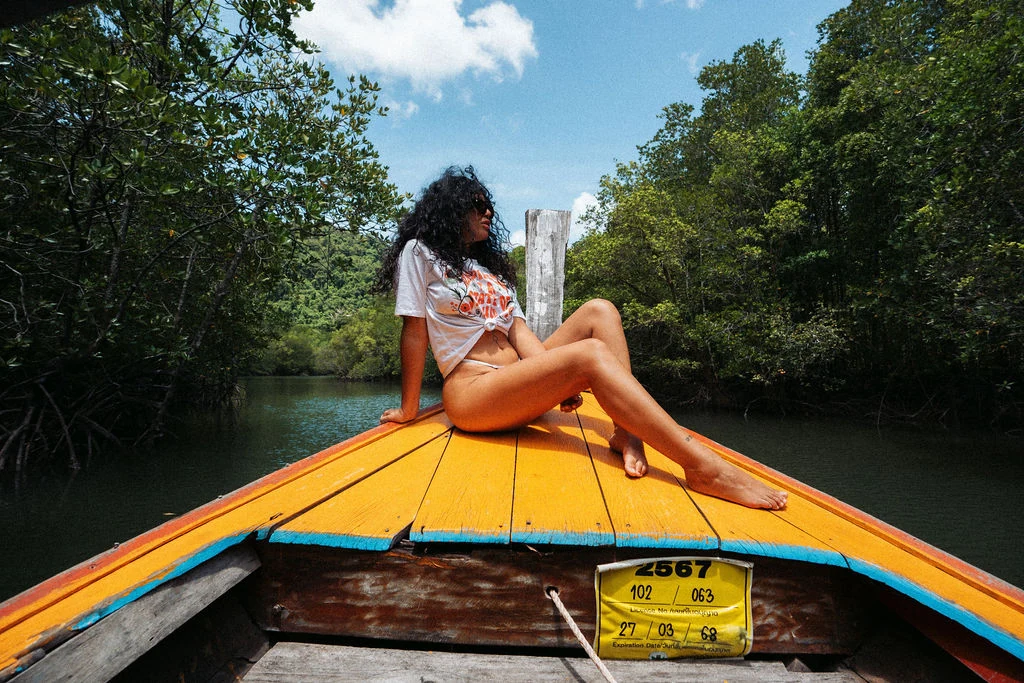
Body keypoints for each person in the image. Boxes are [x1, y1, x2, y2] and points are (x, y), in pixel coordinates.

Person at [375, 166, 787, 510]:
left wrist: (548, 378)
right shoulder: (420, 252)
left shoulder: (490, 271)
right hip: (474, 393)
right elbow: (414, 332)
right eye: (478, 206)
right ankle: (703, 467)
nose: (487, 213)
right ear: (452, 210)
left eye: (489, 207)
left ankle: (627, 433)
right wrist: (409, 409)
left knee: (600, 311)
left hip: (514, 384)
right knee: (589, 354)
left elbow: (520, 332)